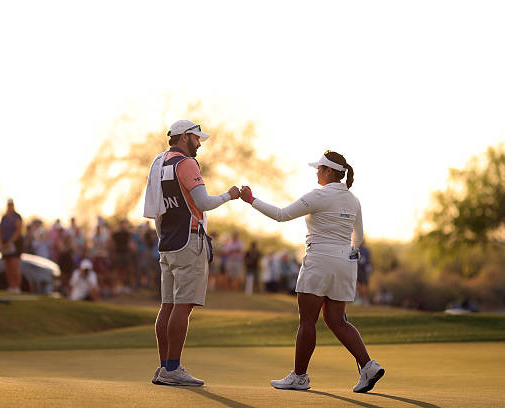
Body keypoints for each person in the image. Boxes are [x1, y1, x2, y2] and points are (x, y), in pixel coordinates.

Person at [240, 150, 384, 393]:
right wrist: (344, 256)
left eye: (319, 169)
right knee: (336, 320)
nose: (317, 172)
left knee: (308, 320)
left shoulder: (318, 195)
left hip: (319, 260)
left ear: (329, 171)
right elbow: (358, 238)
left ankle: (299, 377)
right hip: (345, 262)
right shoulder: (353, 199)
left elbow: (281, 215)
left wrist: (251, 199)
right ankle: (368, 366)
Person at [143, 119, 240, 386]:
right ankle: (173, 368)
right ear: (184, 137)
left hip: (167, 241)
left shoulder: (160, 162)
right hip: (189, 240)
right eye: (197, 138)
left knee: (167, 306)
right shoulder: (186, 163)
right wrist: (230, 195)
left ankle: (164, 367)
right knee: (182, 306)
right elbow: (203, 202)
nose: (199, 144)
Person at [0, 198, 24, 293]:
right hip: (5, 243)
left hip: (15, 244)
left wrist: (10, 242)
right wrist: (1, 243)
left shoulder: (17, 216)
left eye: (11, 205)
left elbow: (18, 231)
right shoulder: (4, 217)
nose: (10, 206)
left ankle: (17, 287)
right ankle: (11, 286)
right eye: (9, 205)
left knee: (14, 266)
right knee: (8, 267)